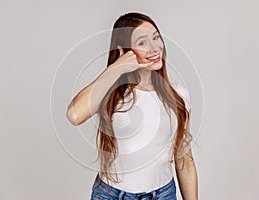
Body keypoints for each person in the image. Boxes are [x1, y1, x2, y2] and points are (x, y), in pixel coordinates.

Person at [66, 12, 198, 200]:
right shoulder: (111, 93)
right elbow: (74, 115)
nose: (154, 48)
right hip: (112, 195)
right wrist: (117, 68)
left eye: (156, 38)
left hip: (163, 195)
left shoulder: (178, 95)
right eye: (142, 42)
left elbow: (184, 159)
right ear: (125, 51)